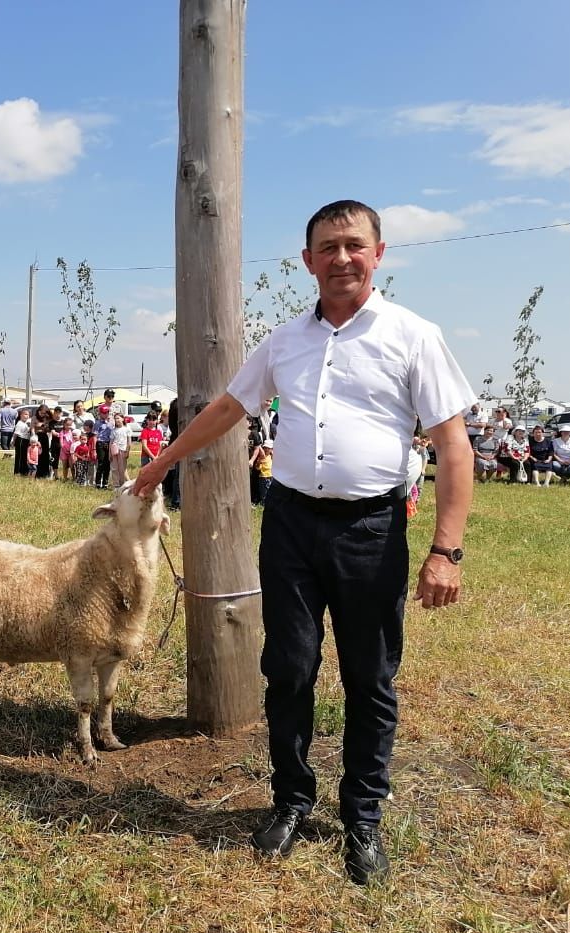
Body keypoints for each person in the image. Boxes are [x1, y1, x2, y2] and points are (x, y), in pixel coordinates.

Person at [133, 200, 475, 885]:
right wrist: (160, 463)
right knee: (288, 668)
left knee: (368, 678)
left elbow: (452, 445)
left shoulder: (414, 336)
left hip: (371, 530)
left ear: (378, 254)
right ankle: (291, 799)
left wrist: (446, 550)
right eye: (327, 247)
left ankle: (363, 818)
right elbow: (229, 409)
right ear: (307, 261)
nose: (341, 258)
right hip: (290, 525)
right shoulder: (284, 341)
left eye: (354, 245)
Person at [93, 405, 114, 489]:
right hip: (100, 443)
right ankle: (98, 483)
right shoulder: (97, 423)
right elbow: (95, 436)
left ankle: (105, 483)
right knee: (101, 463)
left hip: (109, 443)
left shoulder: (111, 423)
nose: (105, 414)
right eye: (104, 413)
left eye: (107, 413)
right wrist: (94, 448)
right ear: (100, 413)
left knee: (107, 463)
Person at [110, 414, 133, 487]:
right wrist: (109, 453)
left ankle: (123, 484)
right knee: (114, 468)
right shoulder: (113, 430)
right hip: (114, 450)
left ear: (123, 419)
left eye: (118, 418)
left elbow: (129, 442)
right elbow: (111, 442)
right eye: (115, 419)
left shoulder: (127, 429)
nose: (116, 420)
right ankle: (116, 485)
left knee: (122, 468)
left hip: (123, 450)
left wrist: (127, 451)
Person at [249, 438, 273, 505]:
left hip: (270, 476)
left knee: (270, 491)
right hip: (263, 477)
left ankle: (269, 502)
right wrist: (259, 463)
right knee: (264, 491)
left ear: (271, 449)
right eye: (265, 448)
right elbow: (257, 468)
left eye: (268, 448)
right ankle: (264, 503)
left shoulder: (271, 456)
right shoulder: (261, 457)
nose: (266, 450)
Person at [33, 402, 53, 479]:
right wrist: (34, 439)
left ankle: (45, 473)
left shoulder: (48, 418)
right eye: (41, 412)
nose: (42, 414)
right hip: (37, 437)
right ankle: (37, 473)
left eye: (44, 413)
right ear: (38, 411)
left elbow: (49, 429)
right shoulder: (35, 417)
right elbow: (32, 428)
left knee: (45, 455)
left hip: (45, 437)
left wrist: (43, 426)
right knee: (37, 455)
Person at [73, 421, 96, 486]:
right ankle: (82, 481)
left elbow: (92, 446)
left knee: (90, 469)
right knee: (82, 470)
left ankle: (90, 481)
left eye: (85, 425)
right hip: (81, 459)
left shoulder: (93, 435)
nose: (84, 427)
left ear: (89, 427)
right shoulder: (84, 435)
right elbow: (76, 453)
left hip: (89, 456)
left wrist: (91, 453)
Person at [12, 407, 34, 476]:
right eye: (25, 414)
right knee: (19, 456)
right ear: (21, 415)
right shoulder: (19, 423)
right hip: (20, 440)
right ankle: (18, 471)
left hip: (26, 441)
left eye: (28, 414)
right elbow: (16, 434)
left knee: (24, 456)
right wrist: (13, 441)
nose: (26, 416)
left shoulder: (26, 423)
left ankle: (24, 471)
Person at [56, 416, 75, 481]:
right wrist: (64, 450)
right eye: (67, 425)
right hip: (64, 452)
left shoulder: (72, 432)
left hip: (71, 452)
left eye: (70, 425)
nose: (68, 426)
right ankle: (65, 478)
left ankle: (74, 478)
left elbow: (74, 441)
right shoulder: (62, 432)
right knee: (65, 466)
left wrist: (71, 451)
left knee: (72, 466)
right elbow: (61, 443)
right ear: (64, 425)